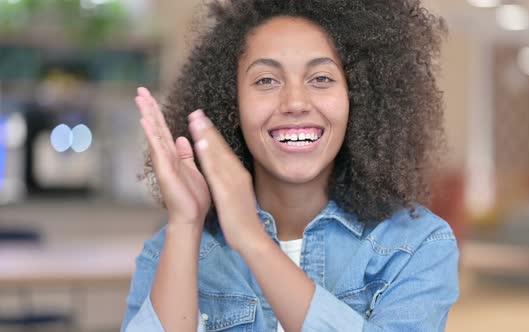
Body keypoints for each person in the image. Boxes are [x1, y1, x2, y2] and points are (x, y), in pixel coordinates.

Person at [121, 0, 458, 331]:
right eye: (266, 80)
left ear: (359, 97)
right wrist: (185, 223)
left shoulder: (417, 245)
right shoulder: (174, 247)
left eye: (321, 78)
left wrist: (252, 239)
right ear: (231, 103)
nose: (295, 102)